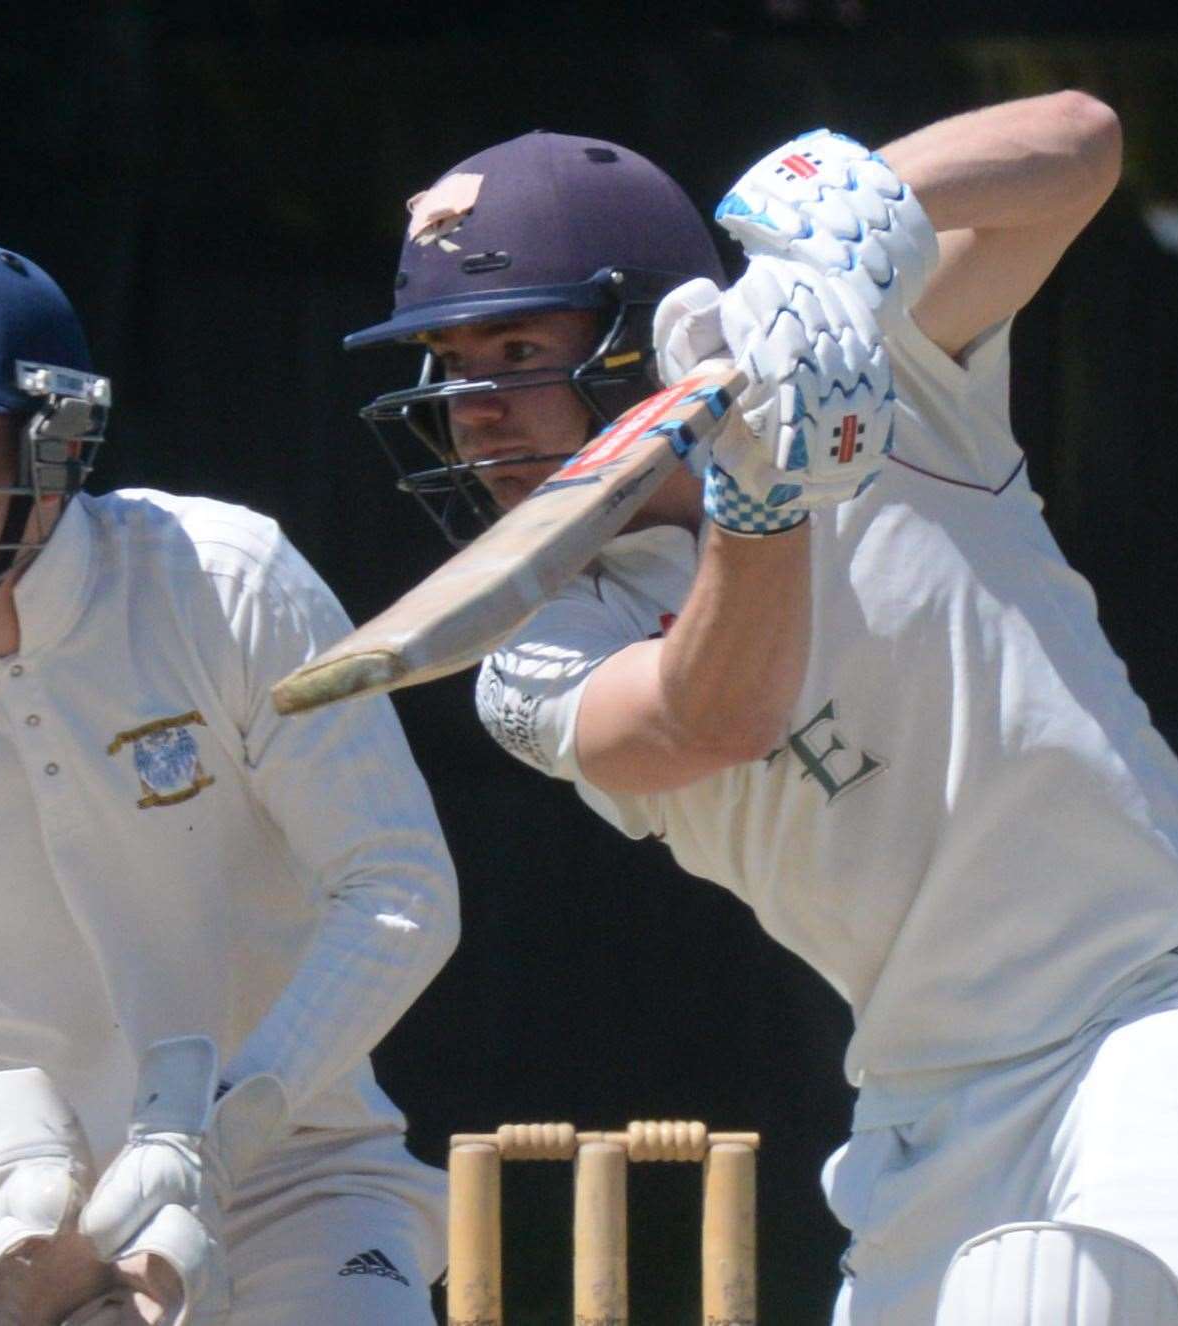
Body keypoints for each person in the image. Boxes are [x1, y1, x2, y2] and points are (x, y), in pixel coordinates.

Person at [347, 94, 1178, 1324]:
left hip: (1146, 1012)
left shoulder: (886, 366)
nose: (475, 412)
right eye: (456, 370)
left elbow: (1084, 144)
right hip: (924, 1097)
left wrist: (838, 218)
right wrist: (765, 491)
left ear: (642, 334)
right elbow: (705, 721)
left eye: (517, 354)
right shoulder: (535, 646)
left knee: (1059, 1299)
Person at [0, 235, 458, 1326]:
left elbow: (398, 885)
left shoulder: (223, 585)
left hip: (289, 1172)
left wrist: (223, 1130)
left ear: (56, 443)